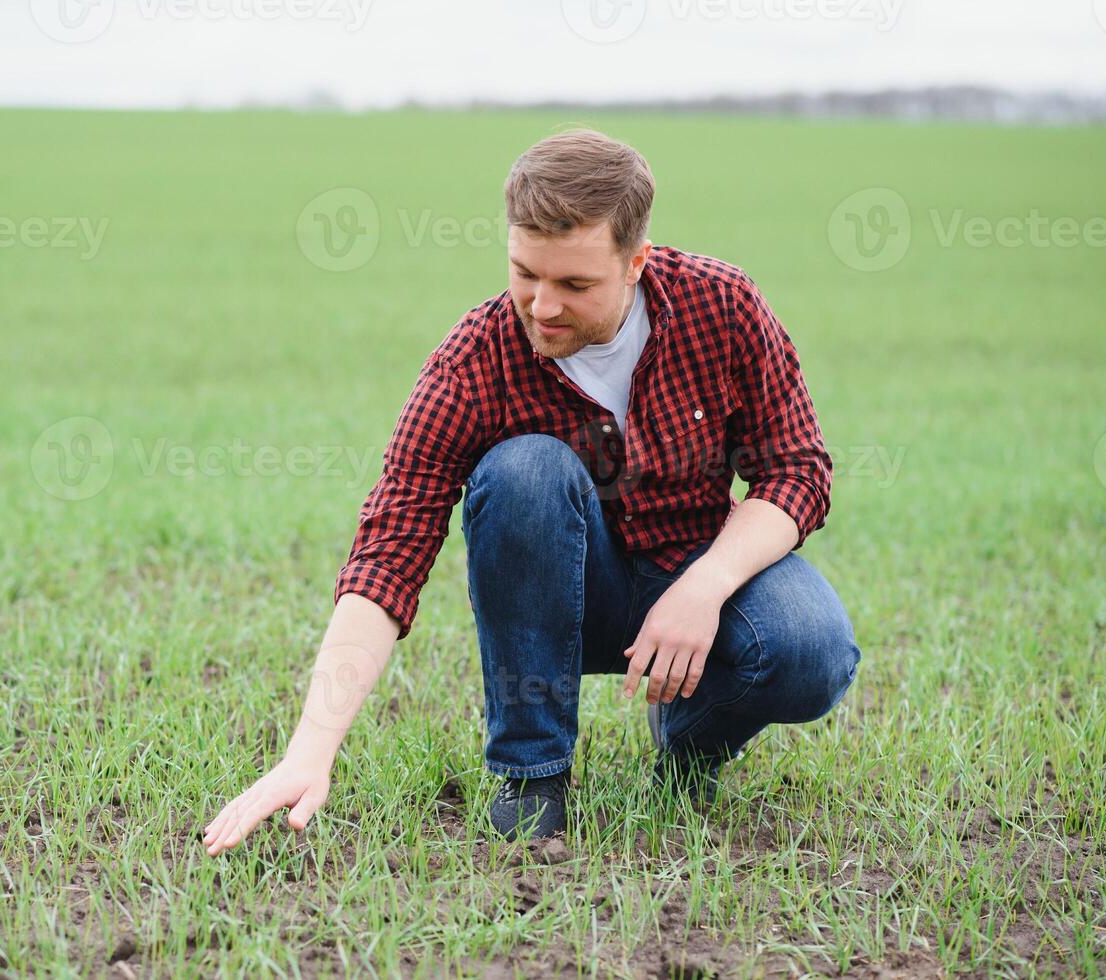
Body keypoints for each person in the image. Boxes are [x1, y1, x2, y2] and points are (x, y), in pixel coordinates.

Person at [203, 127, 862, 854]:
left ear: (636, 262)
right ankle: (533, 772)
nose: (542, 307)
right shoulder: (475, 359)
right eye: (525, 274)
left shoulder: (723, 307)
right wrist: (309, 751)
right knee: (524, 470)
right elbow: (390, 550)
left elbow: (797, 468)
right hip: (563, 601)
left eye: (575, 285)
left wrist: (705, 585)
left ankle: (689, 741)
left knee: (813, 650)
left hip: (695, 571)